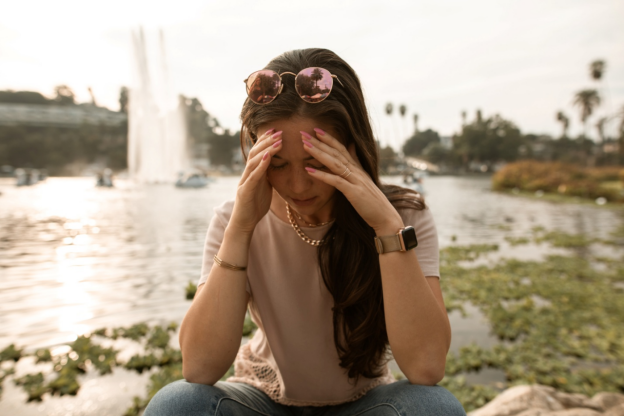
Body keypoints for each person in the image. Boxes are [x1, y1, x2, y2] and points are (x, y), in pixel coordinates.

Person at [145, 48, 465, 416]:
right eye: (277, 164)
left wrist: (386, 227)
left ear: (352, 147)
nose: (297, 186)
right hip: (264, 402)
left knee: (433, 408)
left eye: (316, 162)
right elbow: (199, 369)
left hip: (364, 406)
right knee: (179, 404)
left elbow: (426, 367)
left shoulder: (403, 216)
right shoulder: (234, 220)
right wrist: (242, 228)